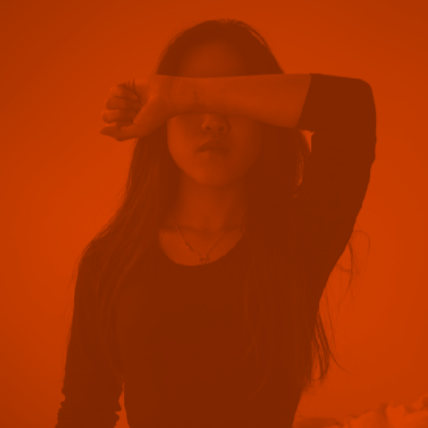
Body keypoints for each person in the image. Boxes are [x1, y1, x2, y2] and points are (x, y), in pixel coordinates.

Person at [55, 19, 377, 428]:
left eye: (233, 97)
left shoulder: (297, 240)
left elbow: (351, 109)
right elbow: (85, 411)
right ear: (162, 119)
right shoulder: (109, 263)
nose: (213, 121)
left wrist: (184, 94)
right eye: (190, 104)